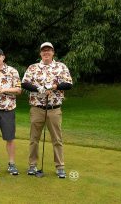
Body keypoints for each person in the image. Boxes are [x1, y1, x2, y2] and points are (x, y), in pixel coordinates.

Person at [21, 42, 73, 178]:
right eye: (44, 51)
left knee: (57, 139)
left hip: (54, 109)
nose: (46, 53)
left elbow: (68, 84)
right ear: (40, 53)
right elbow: (24, 83)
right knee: (34, 139)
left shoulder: (61, 67)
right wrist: (38, 88)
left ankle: (60, 167)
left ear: (53, 52)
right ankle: (32, 165)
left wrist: (54, 86)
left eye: (48, 50)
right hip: (37, 108)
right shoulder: (33, 67)